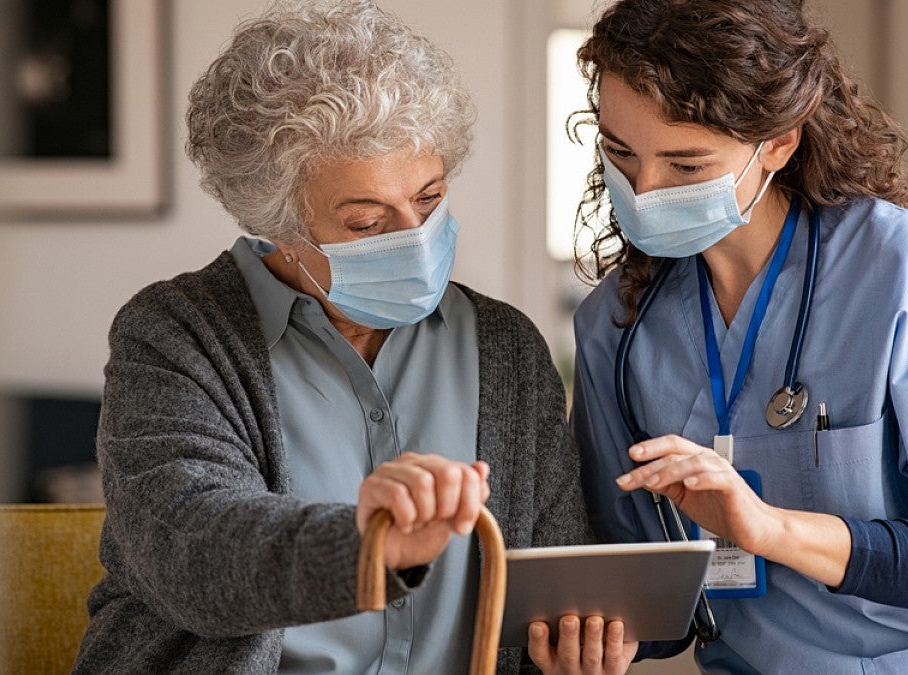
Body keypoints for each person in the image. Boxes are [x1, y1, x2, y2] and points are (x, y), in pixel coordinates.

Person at [72, 1, 635, 673]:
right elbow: (193, 550)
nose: (415, 237)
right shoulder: (175, 337)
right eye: (367, 222)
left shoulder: (505, 347)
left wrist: (578, 646)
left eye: (428, 200)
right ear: (274, 224)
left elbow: (552, 587)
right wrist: (368, 543)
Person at [568, 0, 908, 672]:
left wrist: (768, 528)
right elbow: (659, 607)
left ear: (778, 144)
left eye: (686, 166)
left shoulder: (907, 270)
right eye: (620, 153)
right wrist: (590, 638)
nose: (643, 190)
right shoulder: (615, 330)